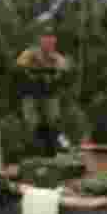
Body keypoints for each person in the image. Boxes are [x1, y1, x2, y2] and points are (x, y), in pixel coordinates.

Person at [16, 25, 73, 157]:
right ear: (41, 40)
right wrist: (33, 67)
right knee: (32, 123)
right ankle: (35, 150)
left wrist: (55, 68)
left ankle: (59, 147)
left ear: (54, 41)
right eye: (46, 39)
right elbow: (19, 64)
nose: (49, 42)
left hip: (49, 94)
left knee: (53, 122)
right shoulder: (31, 52)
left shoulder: (56, 57)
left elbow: (65, 68)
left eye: (51, 39)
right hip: (31, 93)